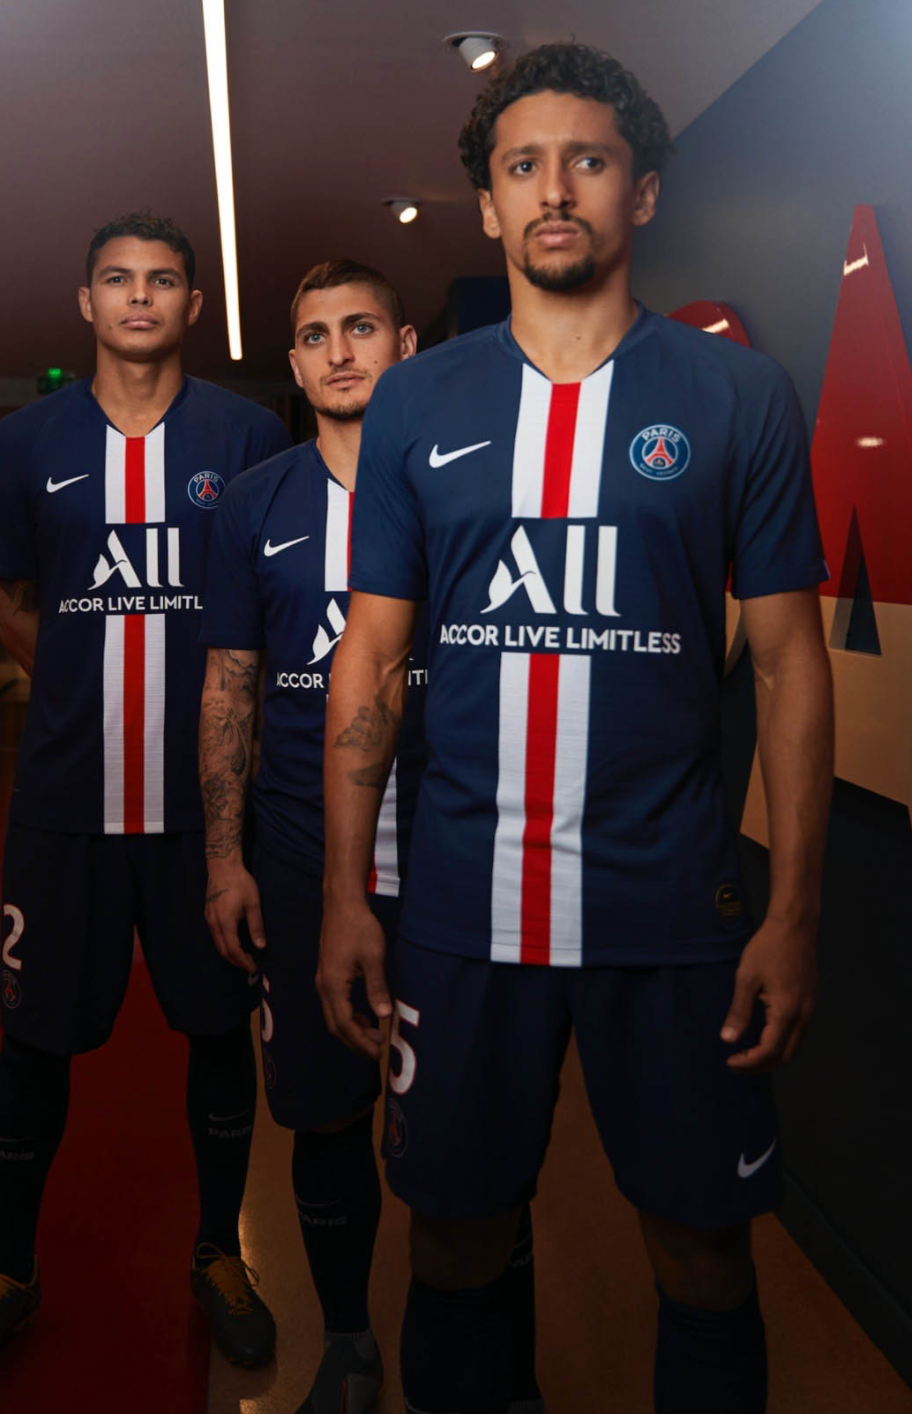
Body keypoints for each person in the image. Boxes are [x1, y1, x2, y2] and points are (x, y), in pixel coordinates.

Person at [318, 43, 834, 1414]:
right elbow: (372, 652)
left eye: (589, 160)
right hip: (455, 906)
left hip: (671, 910)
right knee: (455, 1230)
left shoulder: (737, 397)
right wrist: (343, 891)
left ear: (643, 193)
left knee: (704, 1249)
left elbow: (786, 663)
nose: (557, 189)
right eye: (523, 165)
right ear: (487, 204)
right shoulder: (420, 398)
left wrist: (793, 912)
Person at [0, 212, 291, 1363]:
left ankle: (218, 1245)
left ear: (193, 305)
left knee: (218, 1030)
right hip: (64, 806)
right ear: (85, 302)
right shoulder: (26, 440)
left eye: (162, 279)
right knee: (30, 1042)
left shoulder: (249, 430)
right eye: (116, 279)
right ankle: (11, 1256)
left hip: (204, 815)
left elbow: (268, 606)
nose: (138, 297)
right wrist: (65, 671)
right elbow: (12, 591)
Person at [199, 259, 427, 1414]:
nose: (339, 350)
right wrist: (225, 856)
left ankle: (469, 1355)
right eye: (314, 336)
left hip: (449, 858)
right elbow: (231, 682)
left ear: (406, 343)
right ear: (291, 362)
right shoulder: (256, 503)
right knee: (326, 1109)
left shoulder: (466, 490)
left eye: (361, 328)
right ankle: (349, 1339)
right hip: (298, 857)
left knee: (457, 1125)